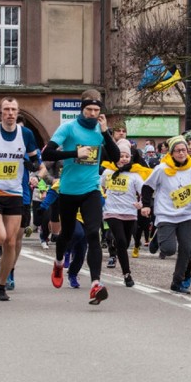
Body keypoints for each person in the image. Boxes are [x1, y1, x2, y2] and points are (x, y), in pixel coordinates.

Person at [41, 89, 120, 305]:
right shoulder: (68, 128)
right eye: (89, 110)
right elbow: (46, 154)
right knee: (66, 234)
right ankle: (58, 264)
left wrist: (105, 133)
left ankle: (95, 284)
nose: (93, 114)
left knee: (93, 233)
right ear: (82, 109)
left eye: (96, 110)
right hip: (68, 190)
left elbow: (115, 158)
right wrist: (74, 153)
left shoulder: (100, 131)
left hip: (91, 189)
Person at [0, 97, 41, 301]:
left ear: (18, 111)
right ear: (1, 111)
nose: (10, 113)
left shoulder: (26, 134)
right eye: (6, 109)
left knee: (11, 242)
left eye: (14, 109)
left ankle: (1, 285)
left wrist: (36, 170)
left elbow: (35, 160)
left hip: (15, 193)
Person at [141, 135, 191, 293]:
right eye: (178, 151)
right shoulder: (162, 169)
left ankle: (177, 281)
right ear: (171, 153)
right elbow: (147, 187)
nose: (182, 153)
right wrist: (146, 205)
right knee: (169, 249)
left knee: (186, 249)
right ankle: (157, 236)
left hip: (186, 215)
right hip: (166, 214)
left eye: (184, 150)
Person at [100, 139, 149, 287]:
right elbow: (101, 187)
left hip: (130, 212)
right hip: (112, 212)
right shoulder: (108, 172)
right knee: (121, 241)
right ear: (115, 156)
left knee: (126, 242)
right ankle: (127, 274)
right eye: (121, 155)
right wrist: (103, 197)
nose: (124, 159)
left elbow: (144, 192)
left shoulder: (134, 175)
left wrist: (141, 204)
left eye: (127, 156)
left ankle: (116, 244)